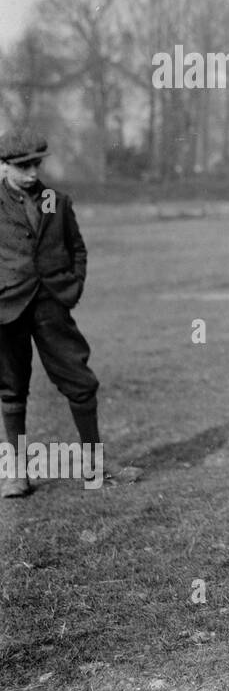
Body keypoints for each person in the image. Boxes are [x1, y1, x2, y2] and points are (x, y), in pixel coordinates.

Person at [0, 129, 101, 498]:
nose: (31, 173)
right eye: (22, 166)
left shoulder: (56, 202)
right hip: (6, 308)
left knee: (80, 381)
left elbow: (78, 249)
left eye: (36, 165)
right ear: (4, 165)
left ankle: (93, 465)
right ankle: (17, 474)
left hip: (50, 306)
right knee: (11, 389)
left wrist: (70, 290)